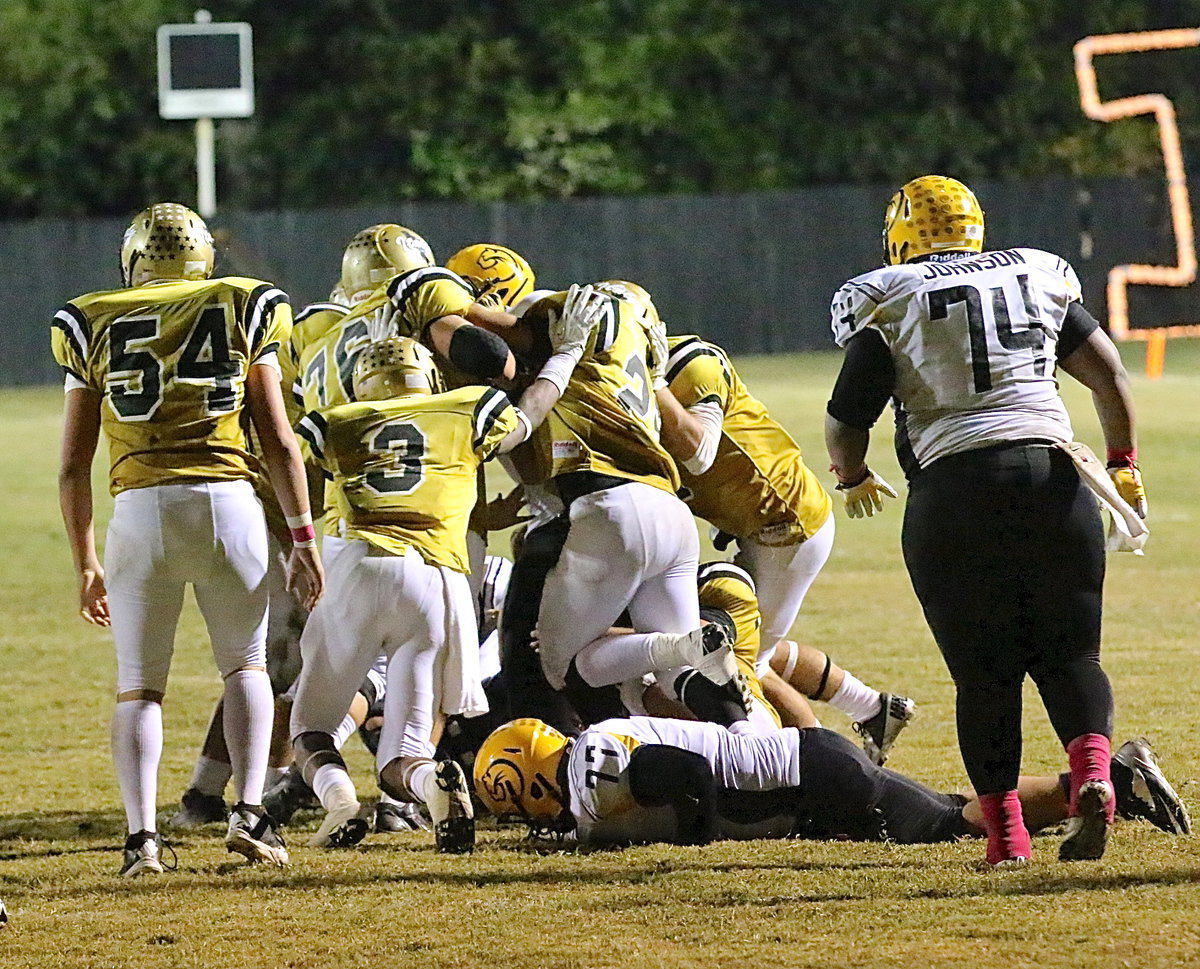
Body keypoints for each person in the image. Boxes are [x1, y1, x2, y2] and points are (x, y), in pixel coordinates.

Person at [824, 174, 1148, 865]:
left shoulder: (888, 295)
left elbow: (849, 413)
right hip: (1052, 477)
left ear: (901, 235)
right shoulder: (1036, 273)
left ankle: (1007, 838)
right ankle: (1094, 775)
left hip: (954, 493)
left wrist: (850, 472)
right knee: (1072, 655)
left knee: (984, 675)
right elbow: (1109, 374)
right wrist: (1122, 463)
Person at [52, 202, 325, 876]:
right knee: (247, 664)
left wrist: (85, 559)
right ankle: (251, 812)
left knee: (139, 686)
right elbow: (280, 441)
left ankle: (142, 839)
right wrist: (303, 537)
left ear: (134, 259)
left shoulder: (92, 317)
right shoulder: (242, 303)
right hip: (229, 506)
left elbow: (70, 465)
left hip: (140, 509)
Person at [287, 285, 608, 853]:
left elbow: (297, 464)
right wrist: (565, 353)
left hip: (361, 566)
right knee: (407, 753)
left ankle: (338, 804)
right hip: (438, 582)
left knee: (309, 729)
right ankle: (430, 784)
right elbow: (529, 415)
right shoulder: (464, 409)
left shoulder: (334, 420)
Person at [638, 296, 915, 763]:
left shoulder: (692, 366)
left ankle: (821, 766)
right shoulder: (625, 385)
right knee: (747, 645)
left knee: (741, 664)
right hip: (758, 525)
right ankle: (873, 708)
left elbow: (699, 452)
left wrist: (651, 381)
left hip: (785, 528)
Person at [496, 289, 745, 731]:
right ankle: (750, 740)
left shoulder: (562, 326)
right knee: (678, 680)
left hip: (609, 508)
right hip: (670, 512)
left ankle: (683, 647)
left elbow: (509, 347)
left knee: (562, 666)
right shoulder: (640, 367)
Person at [472, 717, 1188, 849]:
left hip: (808, 779)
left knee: (951, 822)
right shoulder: (590, 746)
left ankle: (1116, 778)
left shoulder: (592, 775)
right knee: (948, 808)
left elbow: (685, 774)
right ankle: (1105, 780)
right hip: (808, 766)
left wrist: (696, 842)